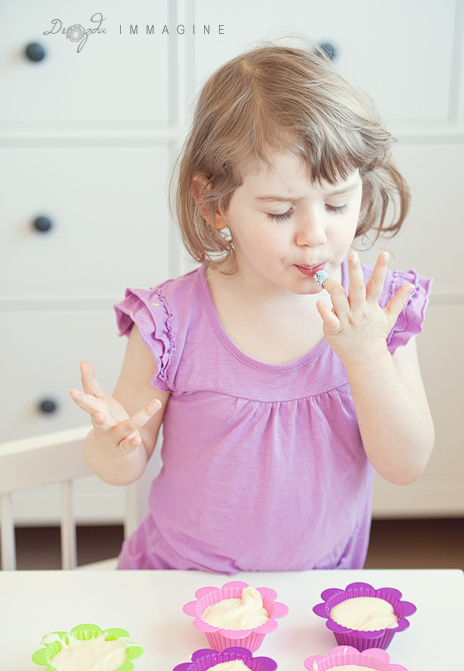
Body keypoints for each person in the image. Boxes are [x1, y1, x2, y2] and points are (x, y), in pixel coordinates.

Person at [70, 44, 435, 572]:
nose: (316, 235)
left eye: (337, 203)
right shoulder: (171, 322)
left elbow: (406, 465)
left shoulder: (378, 310)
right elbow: (122, 466)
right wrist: (114, 443)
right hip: (181, 586)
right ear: (214, 203)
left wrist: (365, 356)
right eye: (281, 211)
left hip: (318, 591)